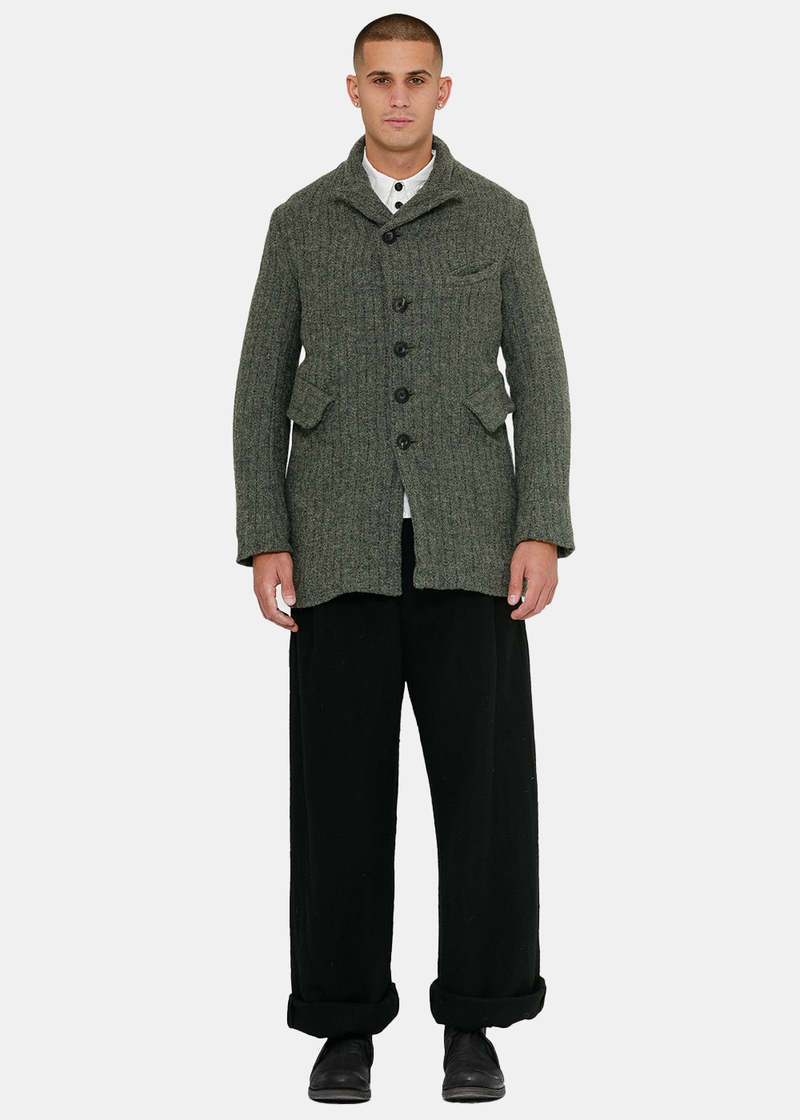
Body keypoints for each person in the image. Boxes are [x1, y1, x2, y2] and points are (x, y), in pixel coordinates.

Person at [232, 12, 575, 1104]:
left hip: (475, 541)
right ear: (351, 89)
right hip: (336, 542)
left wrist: (541, 521)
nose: (396, 96)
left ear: (442, 91)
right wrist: (266, 531)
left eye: (415, 79)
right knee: (339, 797)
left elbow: (542, 375)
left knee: (484, 798)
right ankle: (343, 1025)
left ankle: (475, 1018)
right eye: (378, 78)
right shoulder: (298, 221)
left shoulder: (499, 215)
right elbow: (258, 387)